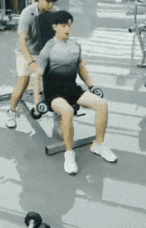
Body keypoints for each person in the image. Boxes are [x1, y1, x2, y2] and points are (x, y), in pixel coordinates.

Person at [35, 10, 117, 175]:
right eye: (64, 25)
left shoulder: (76, 46)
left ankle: (99, 144)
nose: (67, 29)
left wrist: (91, 86)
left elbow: (81, 69)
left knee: (102, 104)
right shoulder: (48, 47)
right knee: (67, 111)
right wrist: (37, 102)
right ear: (55, 27)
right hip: (53, 94)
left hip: (72, 89)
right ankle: (69, 153)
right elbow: (37, 75)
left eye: (69, 25)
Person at [6, 0, 59, 129]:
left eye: (53, 2)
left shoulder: (55, 13)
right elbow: (22, 42)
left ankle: (58, 114)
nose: (51, 5)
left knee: (54, 85)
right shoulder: (27, 13)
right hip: (26, 52)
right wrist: (30, 62)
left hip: (44, 53)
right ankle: (11, 111)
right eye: (48, 1)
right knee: (23, 83)